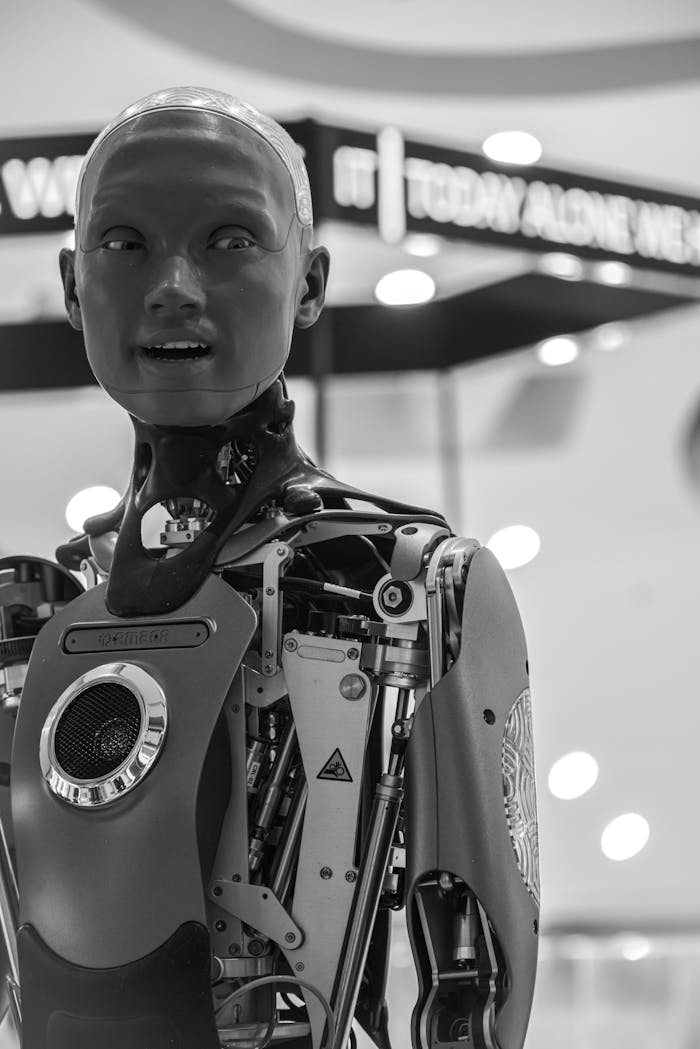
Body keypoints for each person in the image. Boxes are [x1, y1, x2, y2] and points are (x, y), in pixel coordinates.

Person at [7, 88, 539, 1049]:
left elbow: (475, 987)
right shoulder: (37, 615)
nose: (173, 283)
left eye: (229, 239)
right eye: (124, 242)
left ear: (310, 282)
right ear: (72, 282)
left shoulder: (418, 586)